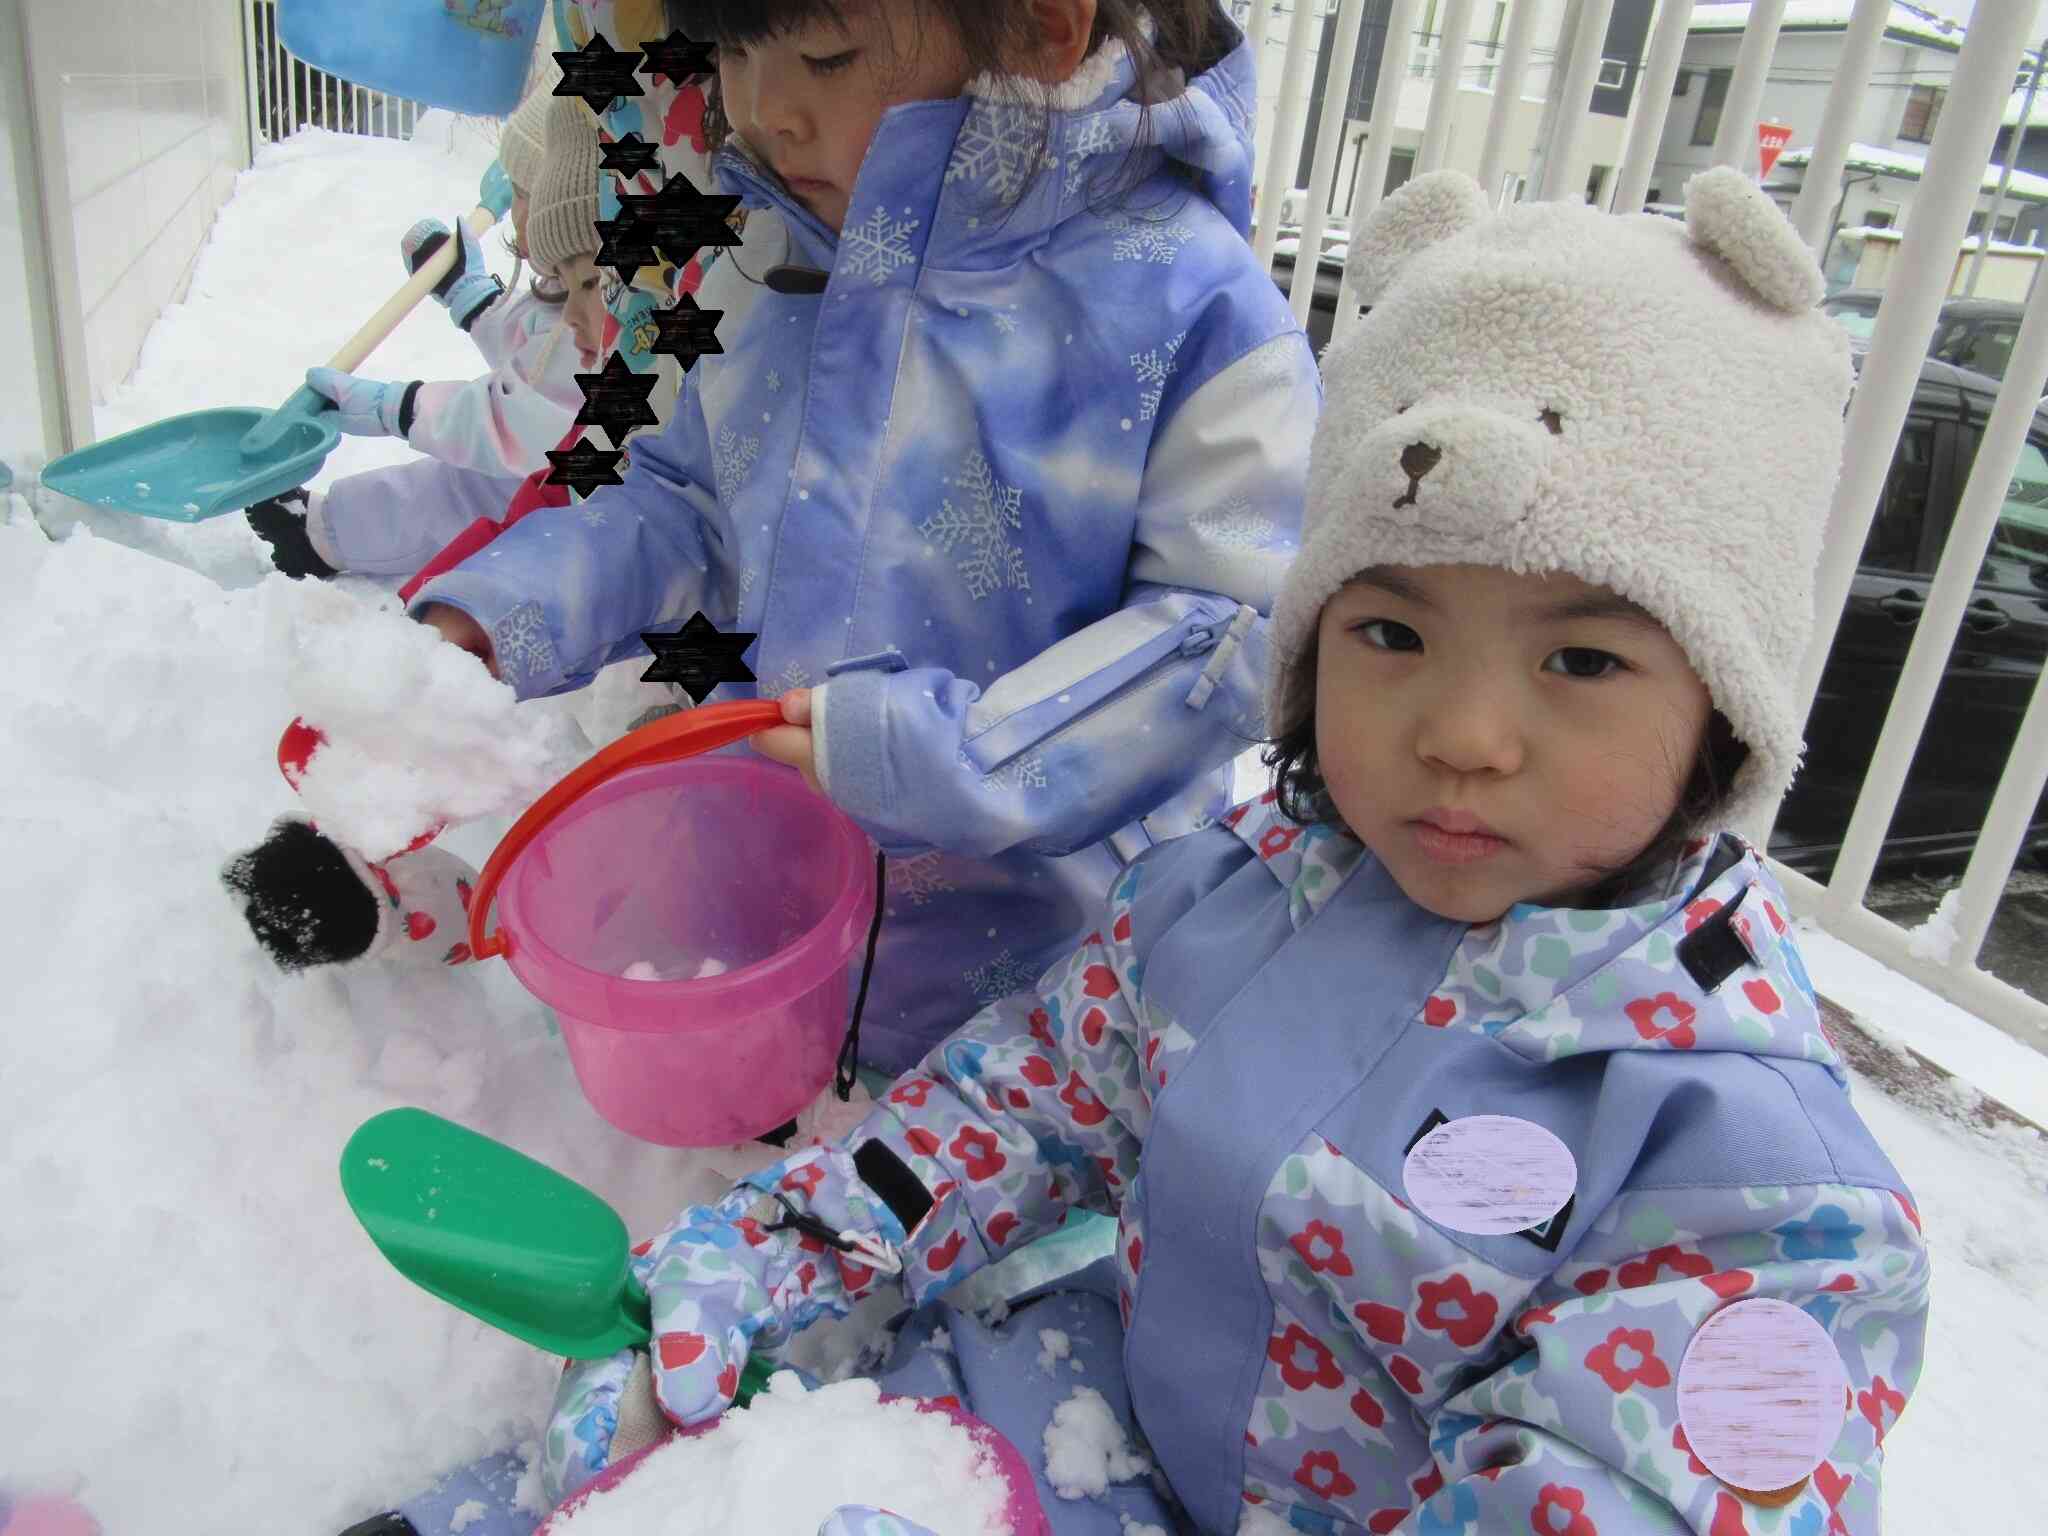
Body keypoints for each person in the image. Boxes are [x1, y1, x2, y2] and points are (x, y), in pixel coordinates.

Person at [522, 169, 1930, 1535]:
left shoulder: (1748, 1189)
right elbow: (1032, 1106)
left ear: (1724, 716)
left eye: (1581, 657)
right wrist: (786, 1252)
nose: (1465, 732)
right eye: (1391, 632)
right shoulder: (1239, 894)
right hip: (1086, 1422)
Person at [407, 0, 1319, 1082]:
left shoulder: (1186, 299)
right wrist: (501, 613)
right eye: (733, 54)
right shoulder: (771, 254)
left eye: (822, 56)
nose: (759, 110)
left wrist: (951, 755)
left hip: (1029, 1034)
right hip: (756, 944)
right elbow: (683, 506)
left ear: (1039, 26)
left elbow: (1232, 628)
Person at [247, 61, 587, 583]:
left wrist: (394, 407)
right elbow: (533, 349)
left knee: (472, 487)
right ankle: (329, 527)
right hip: (564, 466)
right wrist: (471, 296)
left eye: (522, 193)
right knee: (474, 477)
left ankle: (325, 538)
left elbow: (511, 422)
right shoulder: (583, 285)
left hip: (594, 501)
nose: (515, 211)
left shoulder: (610, 313)